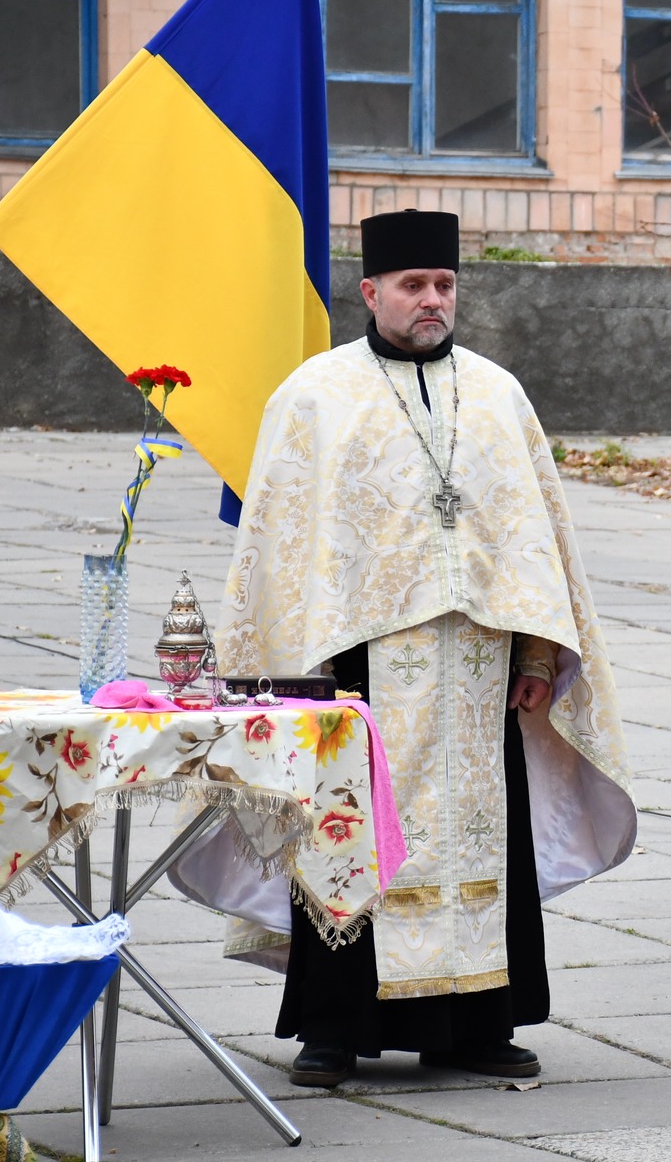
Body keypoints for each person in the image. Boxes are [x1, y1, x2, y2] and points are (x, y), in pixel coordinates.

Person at [214, 209, 636, 1088]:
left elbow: (534, 538)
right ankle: (333, 1028)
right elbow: (286, 548)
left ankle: (474, 1025)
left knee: (483, 833)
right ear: (371, 292)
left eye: (444, 285)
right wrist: (300, 676)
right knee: (348, 830)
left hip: (478, 666)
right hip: (360, 666)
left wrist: (531, 657)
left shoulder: (496, 392)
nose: (432, 300)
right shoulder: (316, 394)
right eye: (414, 286)